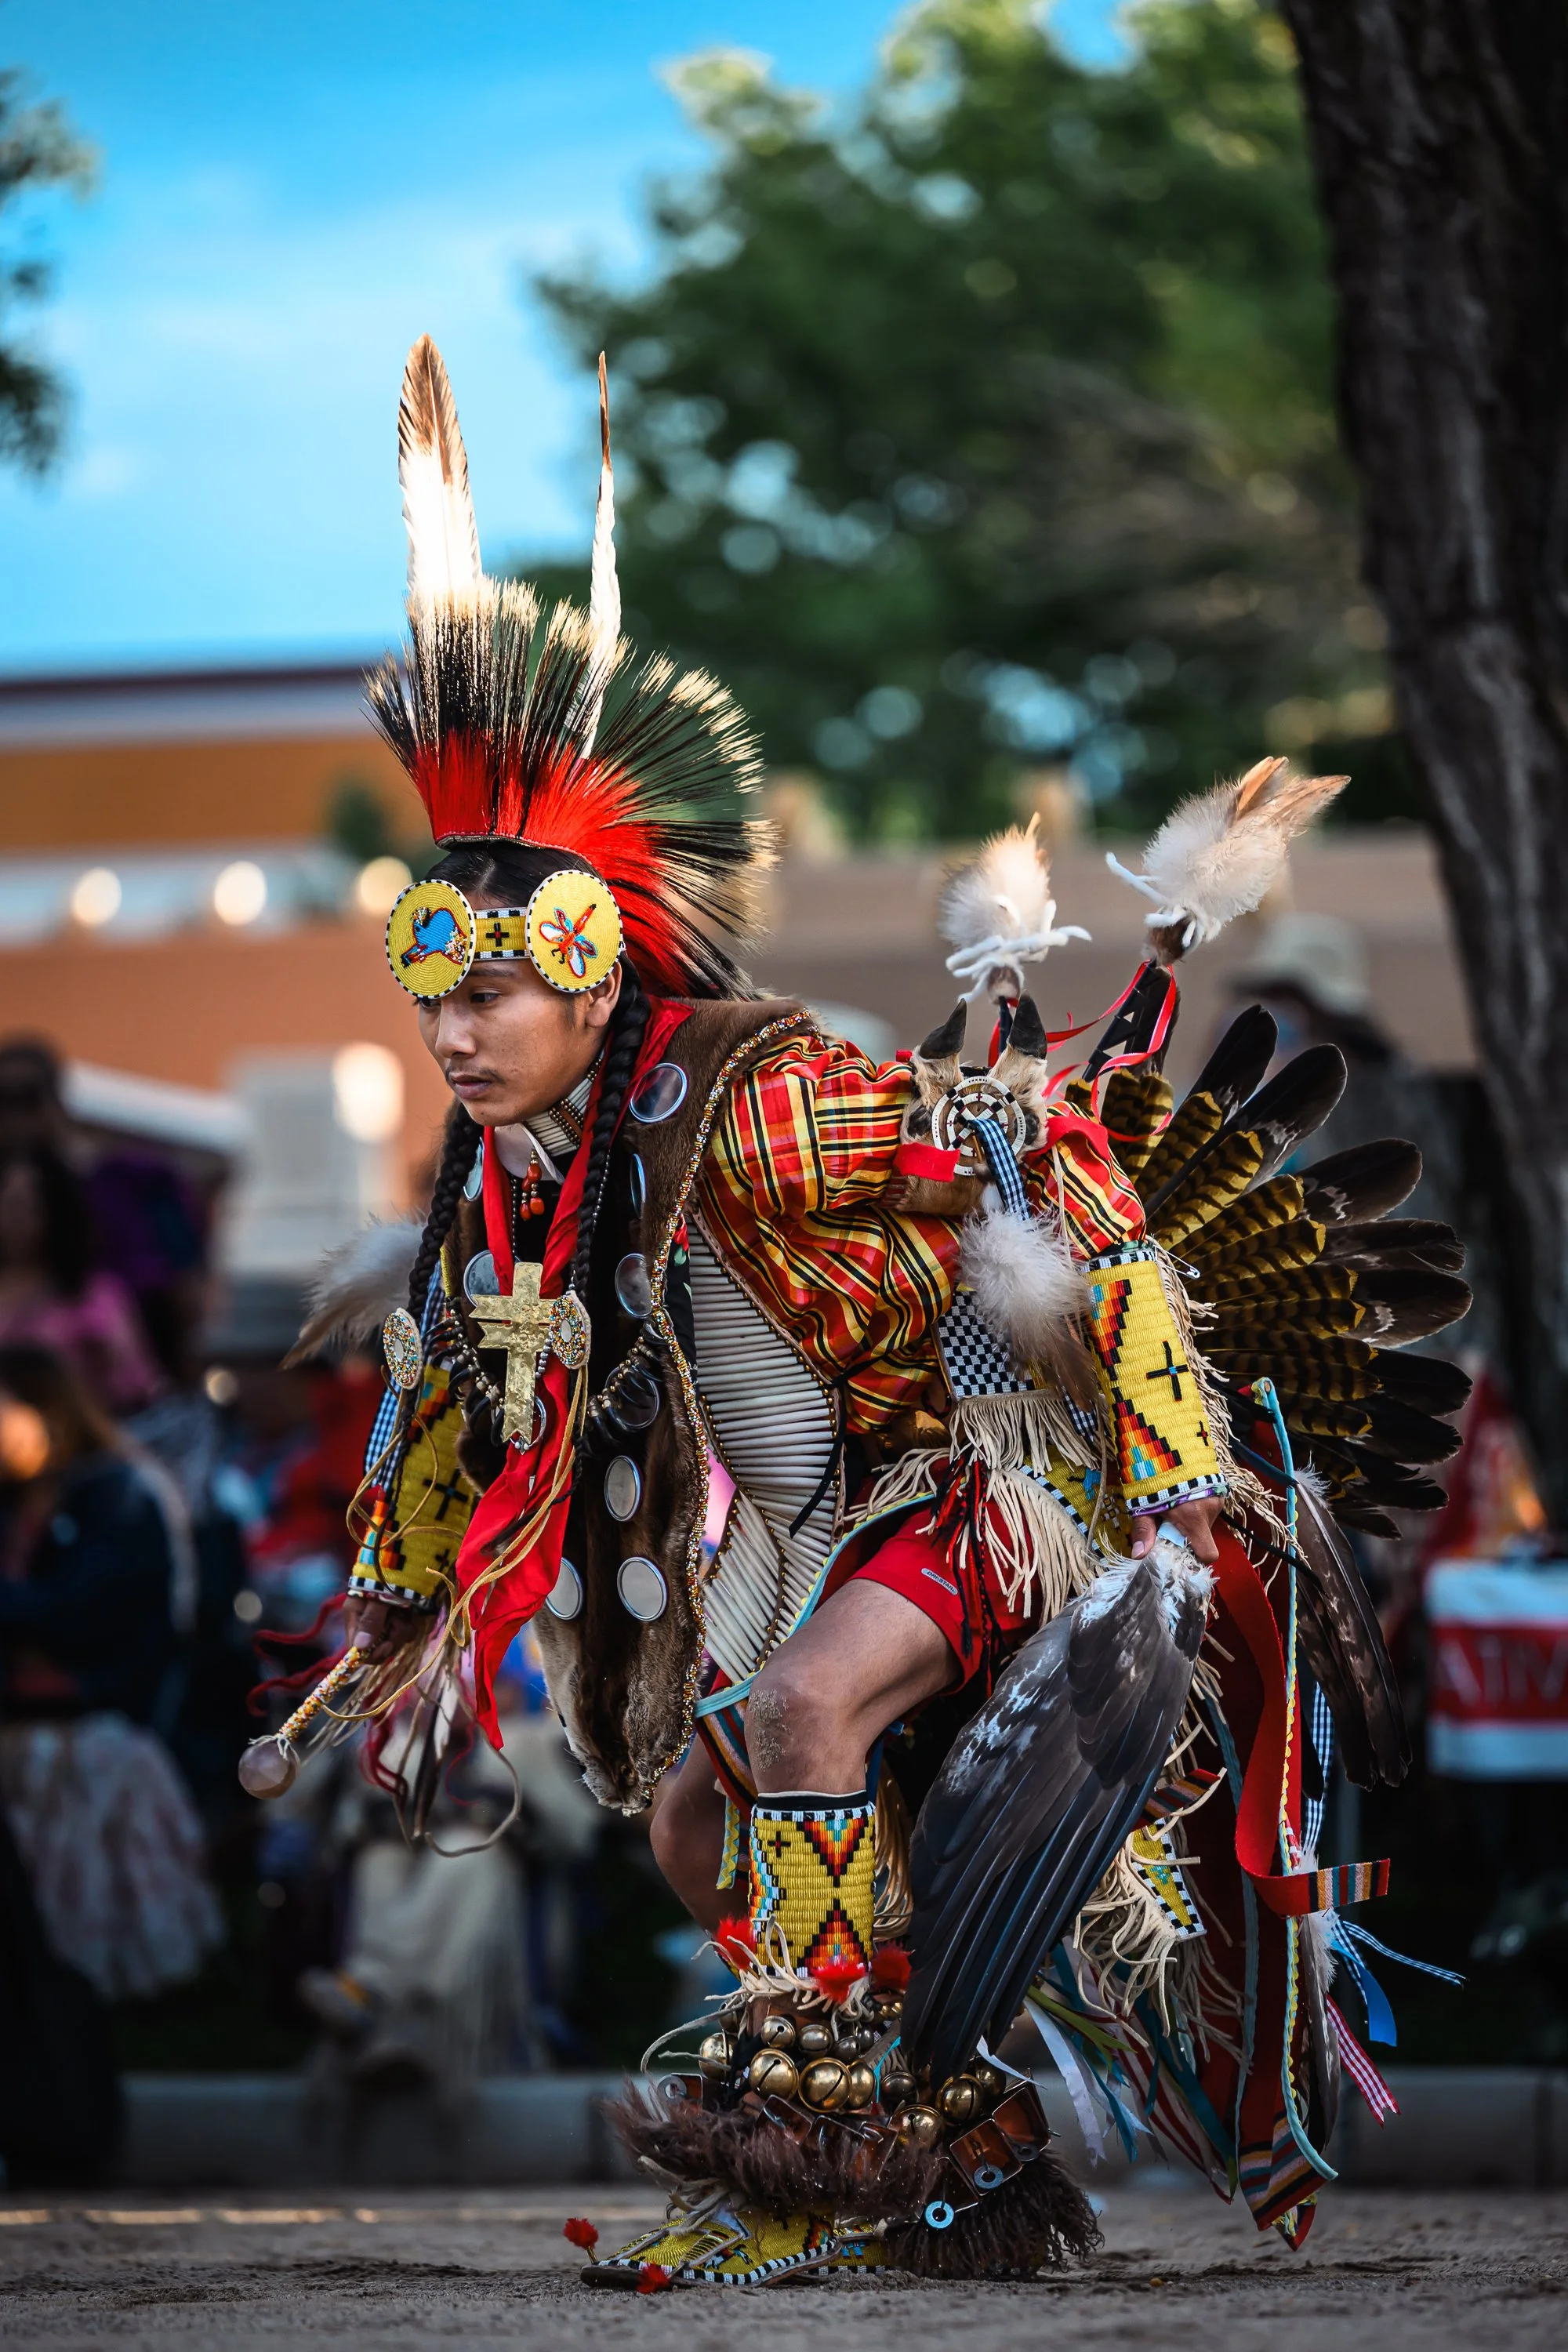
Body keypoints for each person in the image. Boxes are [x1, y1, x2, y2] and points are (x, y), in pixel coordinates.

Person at [288, 343, 1469, 2283]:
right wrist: (398, 1615)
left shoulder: (751, 1094)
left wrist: (1175, 1495)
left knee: (808, 1704)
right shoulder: (500, 1177)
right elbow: (452, 1396)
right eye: (436, 996)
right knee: (694, 1828)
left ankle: (807, 2131)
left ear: (593, 977)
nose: (455, 1030)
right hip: (827, 1513)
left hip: (980, 1463)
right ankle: (954, 2146)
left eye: (495, 994)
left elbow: (1060, 1168)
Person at [0, 1342, 223, 2003]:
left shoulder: (121, 1496)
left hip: (104, 1720)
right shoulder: (16, 1504)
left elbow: (79, 1616)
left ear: (45, 1413)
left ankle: (77, 1981)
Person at [0, 1142, 163, 1417]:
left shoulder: (96, 1297)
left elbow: (138, 1387)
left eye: (29, 1208)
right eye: (8, 1205)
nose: (14, 1220)